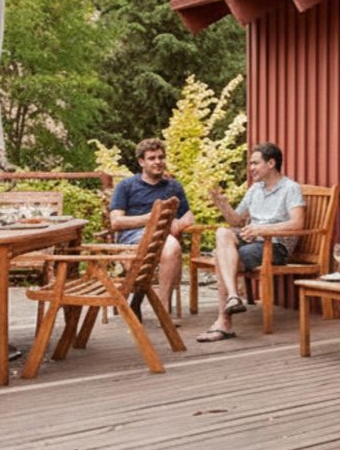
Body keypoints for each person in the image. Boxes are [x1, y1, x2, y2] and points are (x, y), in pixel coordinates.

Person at [196, 142, 305, 343]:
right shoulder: (255, 189)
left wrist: (263, 230)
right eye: (250, 164)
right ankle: (233, 297)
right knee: (222, 233)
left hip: (274, 246)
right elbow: (237, 221)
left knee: (221, 258)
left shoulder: (290, 188)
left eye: (255, 163)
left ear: (271, 163)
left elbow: (297, 223)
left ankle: (224, 322)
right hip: (252, 241)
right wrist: (223, 205)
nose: (251, 168)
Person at [109, 138, 194, 314]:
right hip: (132, 239)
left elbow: (189, 217)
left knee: (171, 245)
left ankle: (162, 308)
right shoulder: (126, 186)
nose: (158, 162)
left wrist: (177, 224)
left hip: (163, 238)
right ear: (141, 162)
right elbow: (116, 222)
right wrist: (151, 219)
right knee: (169, 246)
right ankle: (143, 301)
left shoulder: (173, 187)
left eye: (161, 157)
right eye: (152, 158)